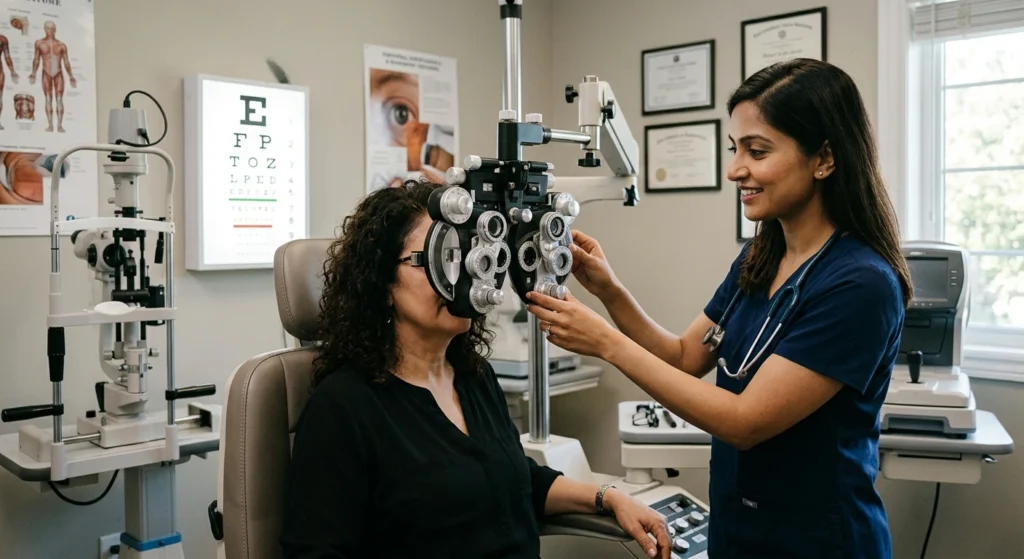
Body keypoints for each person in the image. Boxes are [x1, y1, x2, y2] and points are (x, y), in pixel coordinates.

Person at [526, 58, 912, 559]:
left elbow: (743, 421)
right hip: (739, 530)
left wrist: (606, 344)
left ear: (825, 158)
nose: (735, 169)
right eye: (735, 149)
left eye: (757, 150)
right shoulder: (761, 254)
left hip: (818, 541)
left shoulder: (861, 284)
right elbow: (686, 355)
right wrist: (610, 290)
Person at [279, 181, 671, 559]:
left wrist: (608, 496)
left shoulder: (474, 377)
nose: (462, 279)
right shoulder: (345, 408)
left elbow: (517, 482)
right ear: (383, 283)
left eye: (468, 256)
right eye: (441, 260)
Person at [29, 21, 76, 133]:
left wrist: (71, 76)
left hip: (58, 73)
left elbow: (66, 62)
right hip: (46, 73)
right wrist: (33, 72)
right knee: (48, 98)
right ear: (45, 29)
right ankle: (50, 125)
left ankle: (59, 125)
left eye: (52, 28)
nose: (50, 31)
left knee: (59, 99)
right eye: (48, 28)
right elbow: (36, 59)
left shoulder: (61, 45)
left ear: (55, 30)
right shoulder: (39, 43)